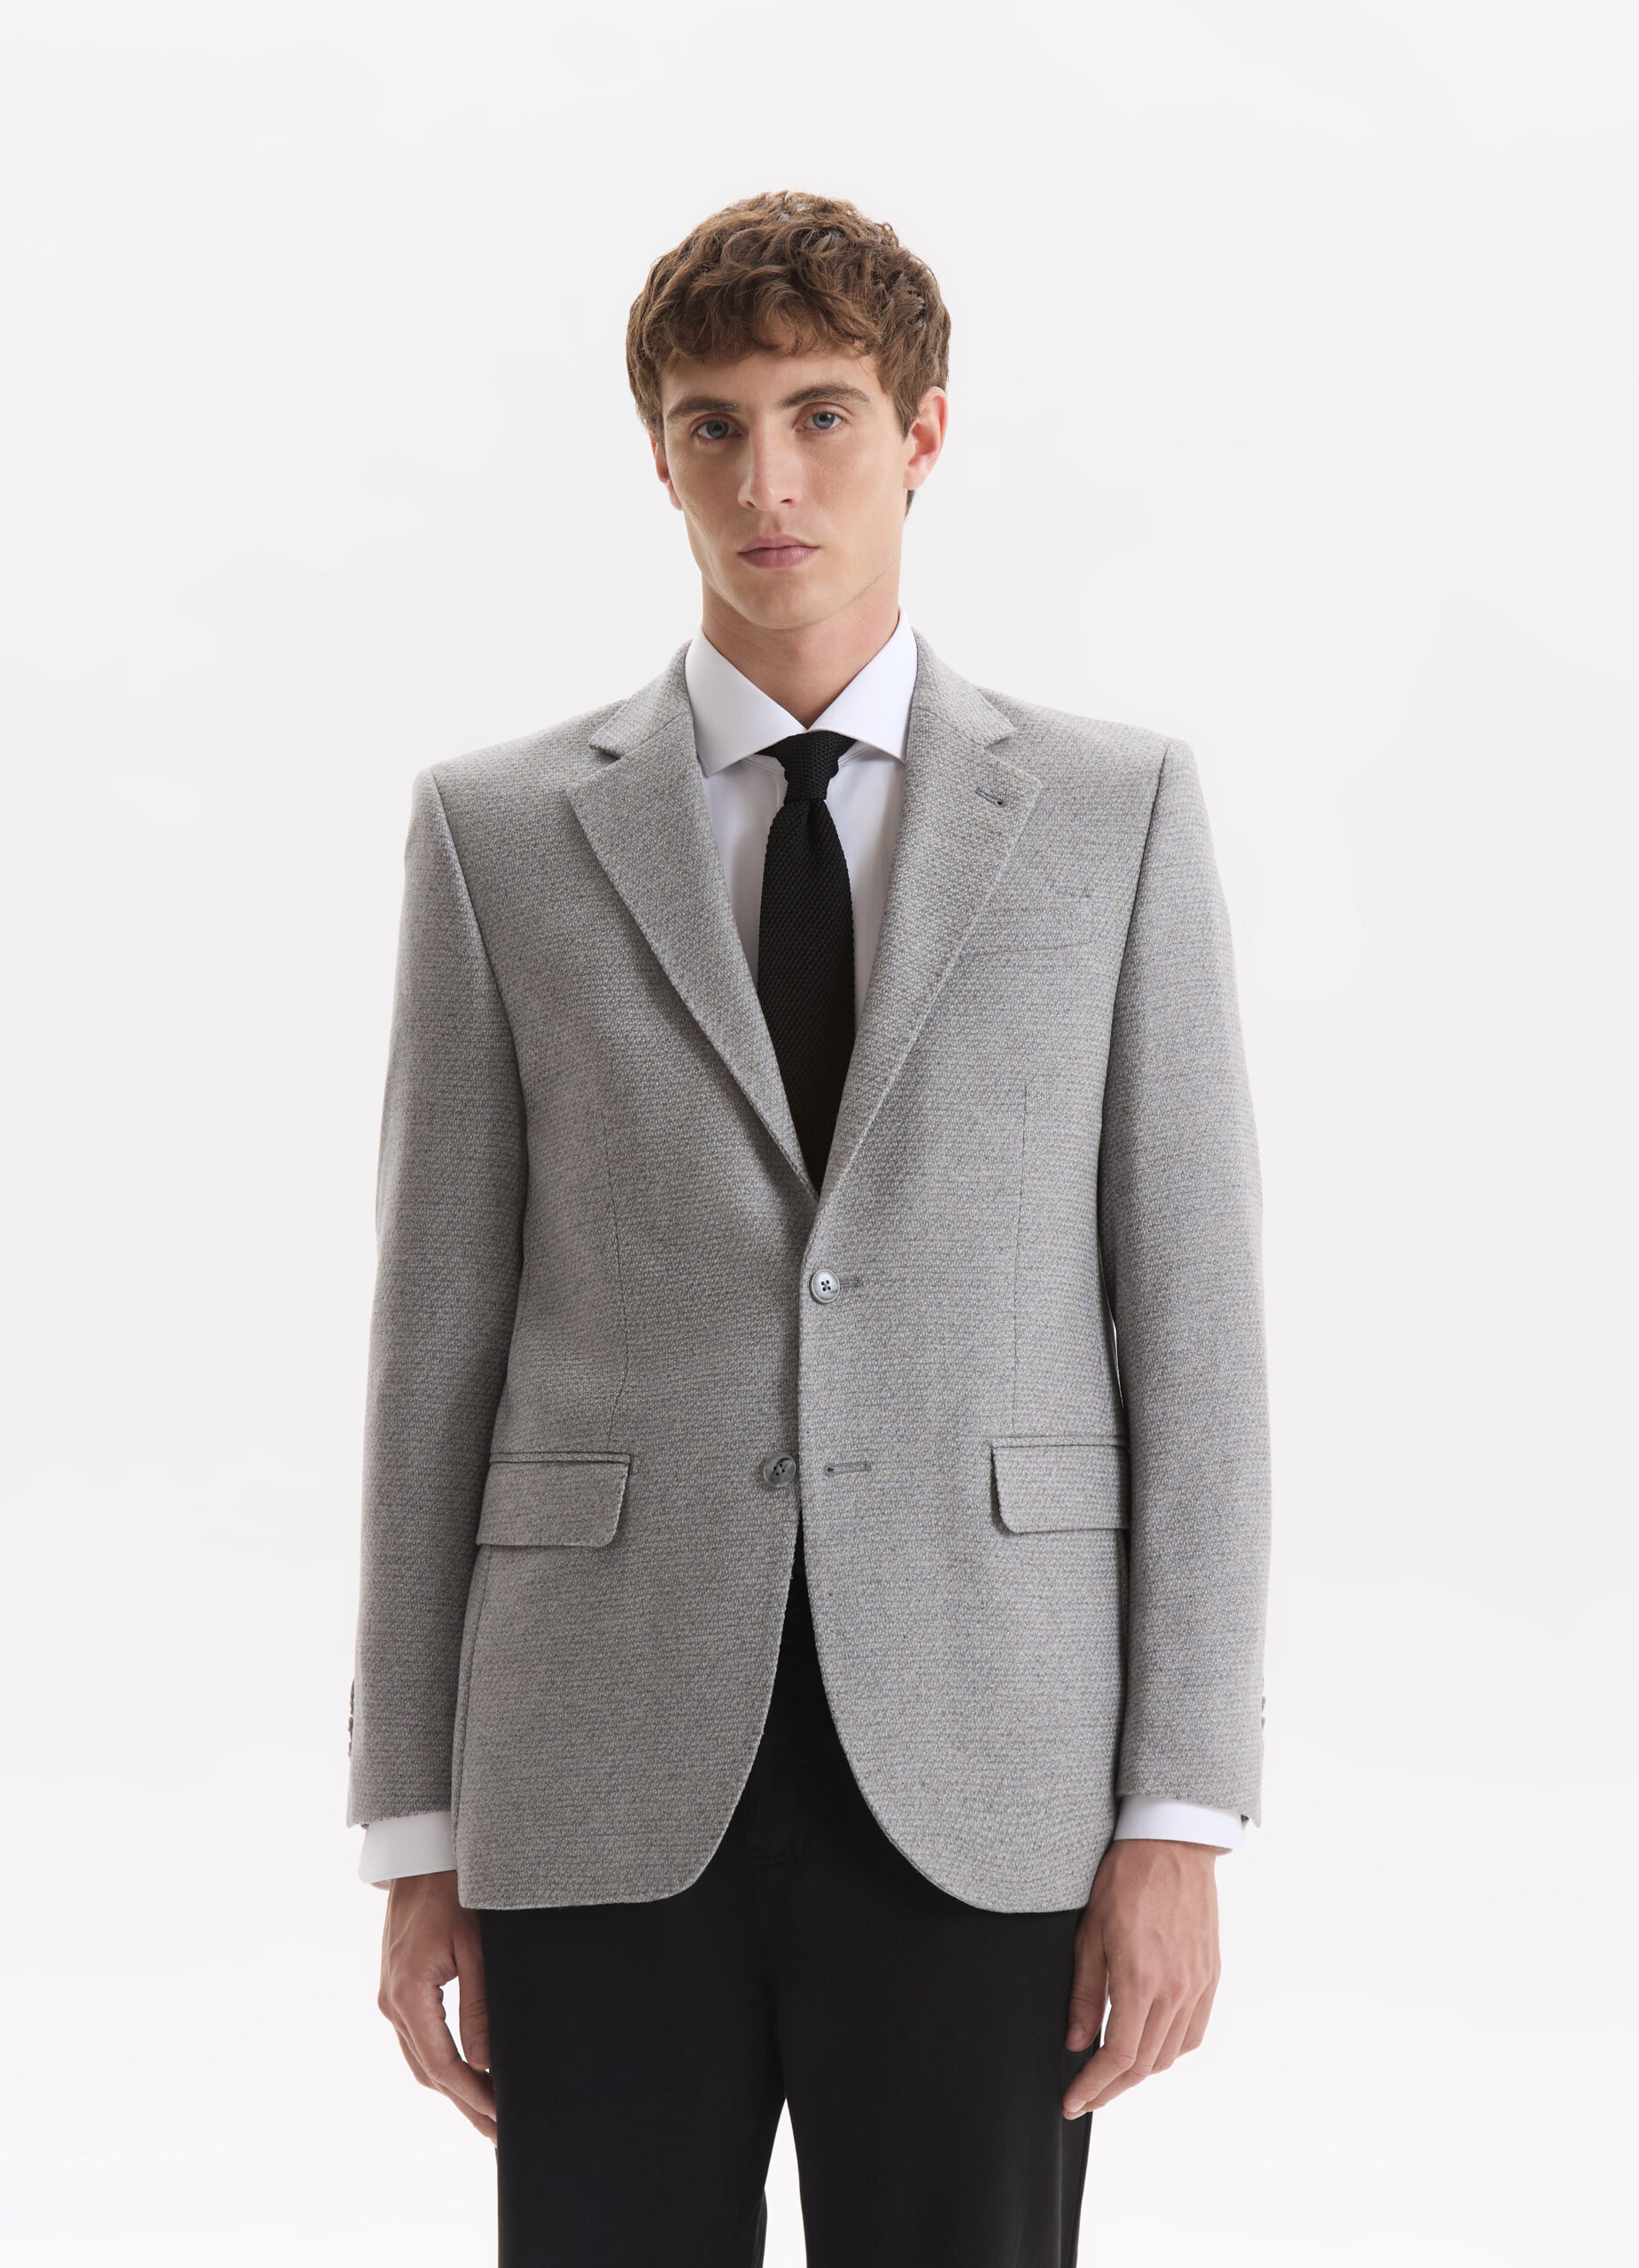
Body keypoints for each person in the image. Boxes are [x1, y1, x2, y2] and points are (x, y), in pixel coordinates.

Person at [345, 190, 1270, 2267]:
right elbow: (433, 1353)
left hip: (991, 1756)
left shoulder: (1114, 813)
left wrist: (1178, 1812)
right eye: (714, 425)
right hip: (597, 1759)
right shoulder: (500, 833)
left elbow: (1195, 1328)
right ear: (659, 453)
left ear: (923, 432)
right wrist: (416, 1827)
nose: (768, 481)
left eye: (822, 415)